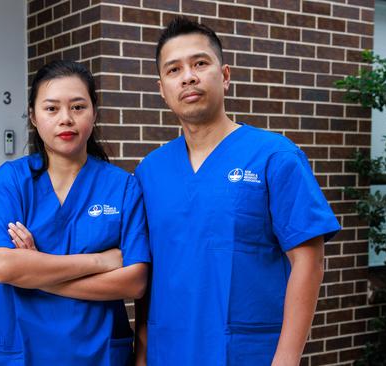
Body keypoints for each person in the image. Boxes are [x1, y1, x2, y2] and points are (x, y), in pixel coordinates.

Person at [134, 18, 341, 366]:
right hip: (167, 351)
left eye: (200, 63)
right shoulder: (149, 171)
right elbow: (146, 272)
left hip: (247, 352)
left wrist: (286, 361)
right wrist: (141, 355)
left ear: (225, 75)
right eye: (174, 69)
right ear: (161, 88)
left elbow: (308, 260)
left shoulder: (275, 156)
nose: (188, 76)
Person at [0, 60, 150, 365]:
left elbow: (134, 281)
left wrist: (34, 271)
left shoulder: (123, 187)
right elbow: (3, 266)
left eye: (78, 107)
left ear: (94, 112)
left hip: (97, 351)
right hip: (21, 349)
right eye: (51, 109)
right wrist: (100, 261)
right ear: (33, 116)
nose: (65, 119)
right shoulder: (12, 181)